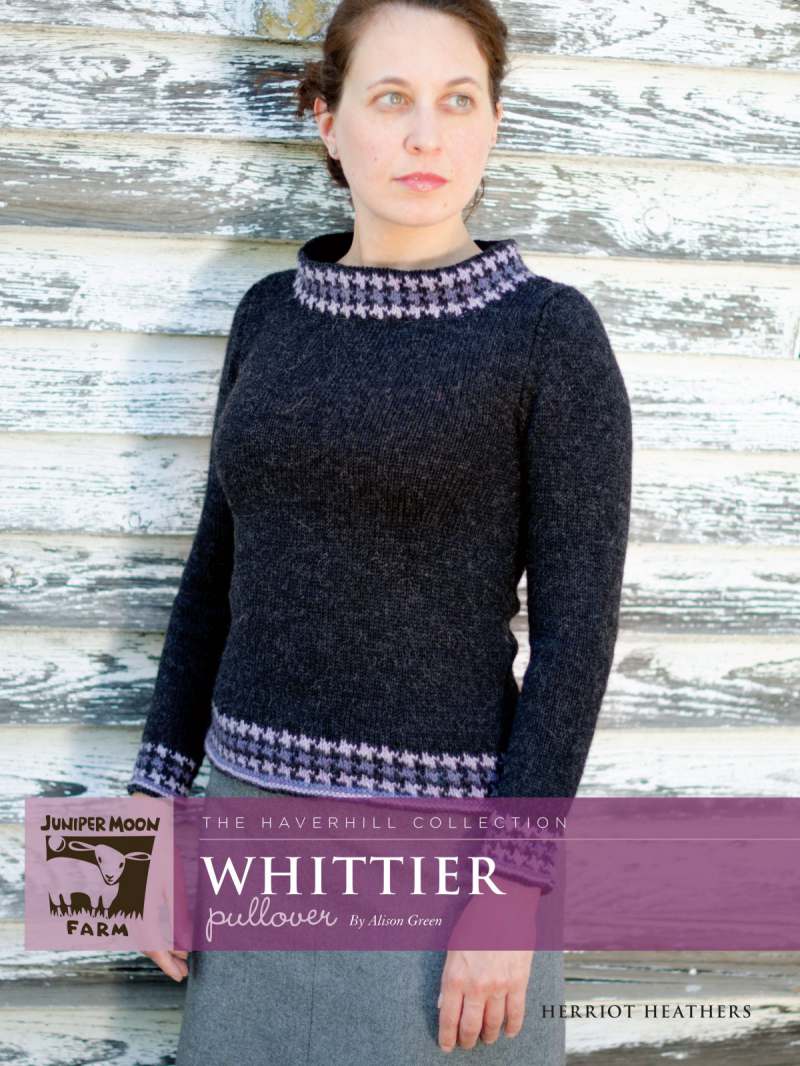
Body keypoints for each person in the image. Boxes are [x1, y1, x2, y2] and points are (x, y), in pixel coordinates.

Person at [129, 0, 633, 1060]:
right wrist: (141, 841)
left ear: (494, 121)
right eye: (390, 98)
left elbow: (576, 640)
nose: (425, 135)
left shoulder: (549, 335)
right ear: (327, 118)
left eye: (458, 101)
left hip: (446, 863)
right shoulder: (268, 314)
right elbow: (211, 579)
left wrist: (512, 889)